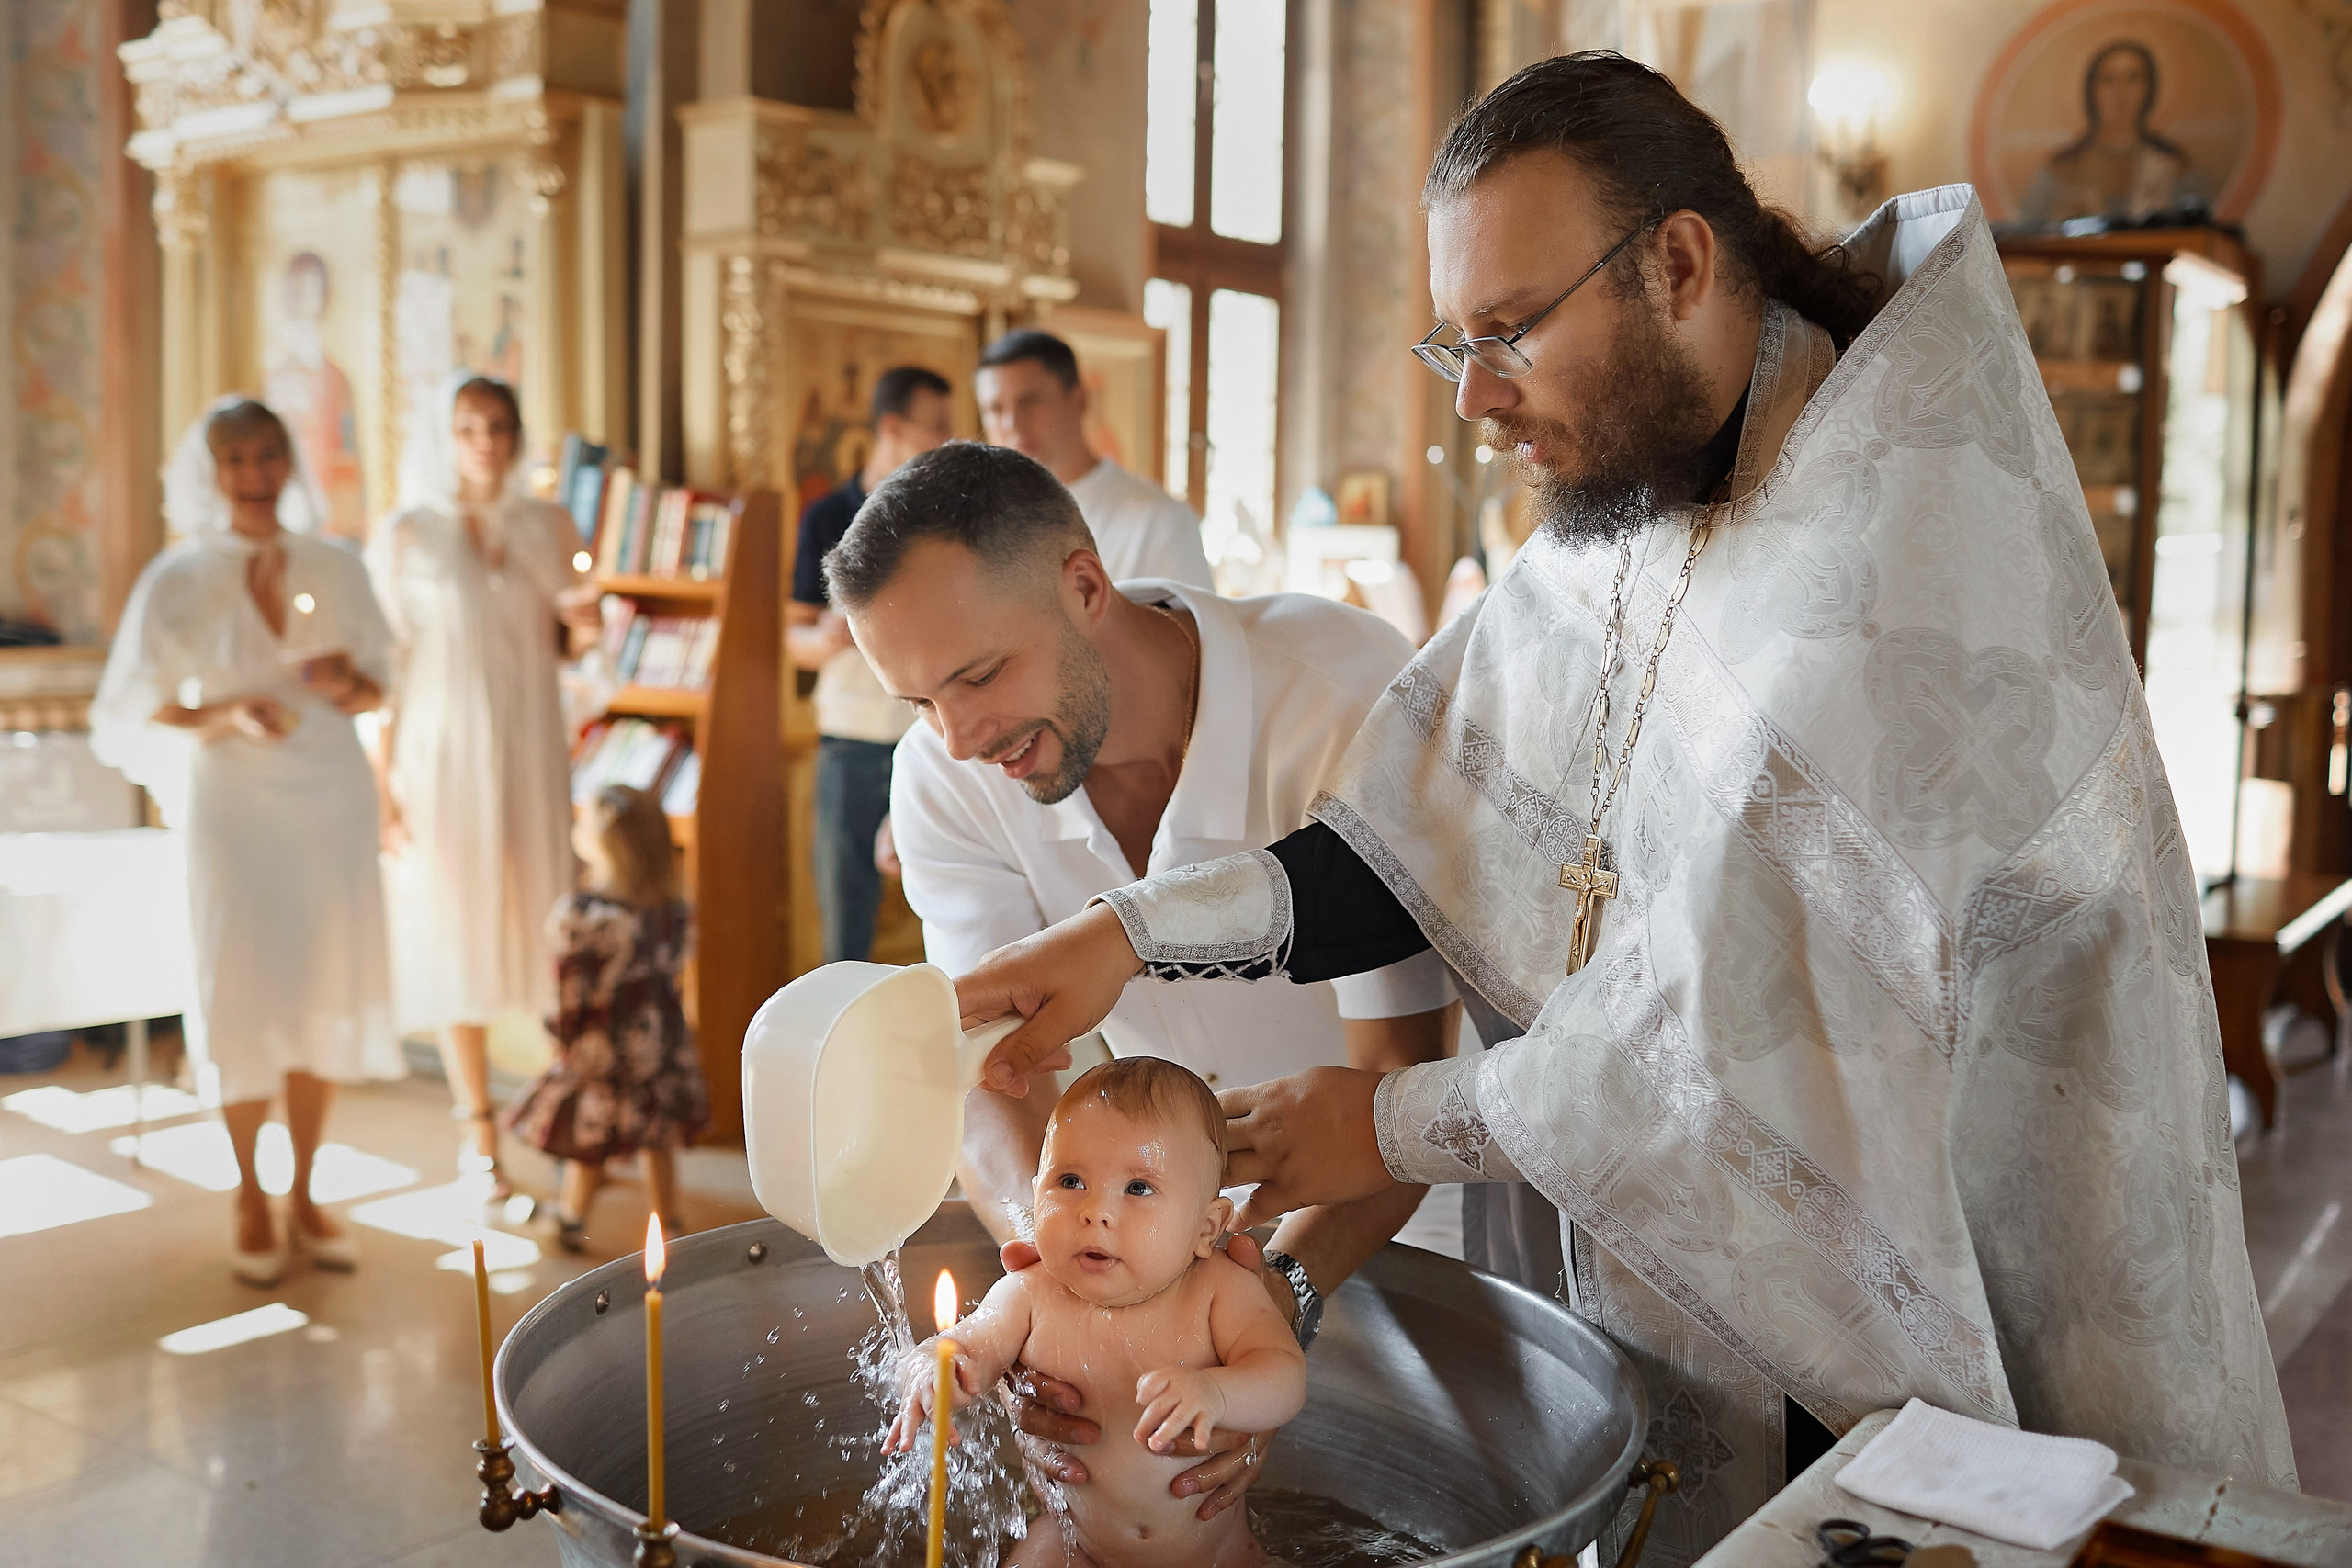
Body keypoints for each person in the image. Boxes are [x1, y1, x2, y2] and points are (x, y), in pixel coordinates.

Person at [949, 52, 2294, 1563]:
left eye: (1510, 330)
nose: (1479, 400)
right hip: (1717, 1238)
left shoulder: (1897, 541)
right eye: (1452, 346)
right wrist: (1133, 937)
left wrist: (1389, 1121)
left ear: (1676, 260)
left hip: (1953, 1252)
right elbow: (1431, 820)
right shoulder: (1643, 484)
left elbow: (1746, 1035)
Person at [830, 438, 1453, 1518]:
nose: (960, 737)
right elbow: (990, 1074)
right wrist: (1049, 1281)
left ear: (1084, 586)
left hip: (1412, 1225)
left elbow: (1398, 1088)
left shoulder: (1336, 694)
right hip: (1152, 1242)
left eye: (978, 676)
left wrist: (1259, 1309)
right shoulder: (944, 775)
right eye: (918, 702)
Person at [92, 396, 403, 1285]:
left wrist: (348, 679)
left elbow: (379, 685)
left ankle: (305, 1187)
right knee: (241, 981)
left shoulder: (335, 564)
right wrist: (223, 711)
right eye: (236, 460)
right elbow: (130, 705)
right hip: (231, 804)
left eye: (269, 456)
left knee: (319, 979)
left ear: (289, 463)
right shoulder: (177, 578)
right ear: (211, 471)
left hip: (328, 798)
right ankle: (248, 1193)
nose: (256, 475)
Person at [885, 1057, 1305, 1568]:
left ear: (1206, 1226)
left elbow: (1284, 1376)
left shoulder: (1220, 1291)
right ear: (1035, 1190)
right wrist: (935, 1368)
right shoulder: (1029, 1293)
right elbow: (969, 1342)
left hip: (1217, 1555)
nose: (1096, 1212)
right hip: (1077, 1549)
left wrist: (1217, 1392)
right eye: (1069, 1181)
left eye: (1137, 1189)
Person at [369, 372, 598, 1205]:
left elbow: (571, 646)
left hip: (529, 748)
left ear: (518, 431)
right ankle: (478, 1141)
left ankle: (568, 1121)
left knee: (546, 927)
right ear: (446, 432)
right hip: (438, 754)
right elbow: (384, 663)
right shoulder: (407, 533)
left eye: (500, 424)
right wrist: (382, 786)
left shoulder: (549, 524)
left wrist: (587, 626)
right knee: (454, 927)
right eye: (470, 426)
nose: (486, 441)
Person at [790, 366, 956, 962]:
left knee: (951, 913)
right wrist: (825, 635)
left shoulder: (944, 518)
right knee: (846, 914)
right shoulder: (827, 515)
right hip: (852, 741)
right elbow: (791, 635)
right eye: (937, 426)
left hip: (940, 734)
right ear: (892, 425)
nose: (948, 439)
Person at [504, 784, 707, 1249]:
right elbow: (674, 968)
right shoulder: (672, 908)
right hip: (660, 1040)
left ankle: (572, 1216)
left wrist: (562, 1034)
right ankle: (669, 1222)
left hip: (604, 1044)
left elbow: (571, 987)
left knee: (591, 1135)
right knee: (657, 1133)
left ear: (607, 840)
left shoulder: (582, 912)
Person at [977, 330, 1214, 590]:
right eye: (996, 409)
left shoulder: (1161, 521)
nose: (1012, 424)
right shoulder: (982, 523)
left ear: (1080, 401)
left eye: (1030, 402)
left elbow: (1189, 630)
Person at [2019, 40, 2206, 230]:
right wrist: (2061, 224)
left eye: (2133, 79)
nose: (2120, 92)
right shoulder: (2061, 168)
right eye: (2108, 80)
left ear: (2149, 89)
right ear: (2092, 90)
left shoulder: (2173, 165)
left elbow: (2199, 234)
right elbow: (2026, 235)